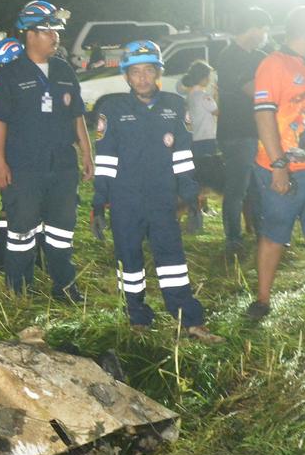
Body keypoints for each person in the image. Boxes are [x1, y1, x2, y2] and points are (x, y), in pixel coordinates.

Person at [89, 41, 224, 344]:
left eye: (148, 70)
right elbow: (106, 161)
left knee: (173, 261)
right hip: (125, 201)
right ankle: (137, 318)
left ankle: (189, 321)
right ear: (126, 76)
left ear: (158, 72)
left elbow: (183, 158)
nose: (142, 78)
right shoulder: (112, 109)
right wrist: (99, 204)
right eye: (135, 72)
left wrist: (191, 200)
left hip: (163, 199)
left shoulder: (175, 106)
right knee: (130, 261)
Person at [0, 0, 94, 302]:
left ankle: (64, 287)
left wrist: (87, 154)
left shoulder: (63, 70)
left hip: (61, 165)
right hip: (25, 166)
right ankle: (18, 288)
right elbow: (0, 122)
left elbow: (77, 116)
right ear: (30, 34)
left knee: (62, 230)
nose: (56, 36)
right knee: (21, 230)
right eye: (49, 30)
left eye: (57, 30)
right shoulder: (12, 74)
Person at [246, 6, 305, 321]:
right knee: (274, 233)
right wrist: (277, 163)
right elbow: (263, 115)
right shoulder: (274, 64)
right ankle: (262, 300)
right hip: (285, 168)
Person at [215, 7, 273, 256]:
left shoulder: (261, 56)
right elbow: (253, 90)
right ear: (253, 28)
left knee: (261, 186)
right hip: (236, 132)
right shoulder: (229, 56)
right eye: (264, 29)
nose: (265, 35)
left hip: (260, 130)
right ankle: (233, 240)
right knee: (237, 188)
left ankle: (264, 234)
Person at [0, 37, 25, 271]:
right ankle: (3, 258)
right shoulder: (8, 88)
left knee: (10, 208)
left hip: (9, 155)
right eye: (0, 67)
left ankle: (0, 258)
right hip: (9, 157)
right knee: (16, 208)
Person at [181, 60, 219, 234]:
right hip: (207, 139)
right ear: (204, 78)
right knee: (205, 178)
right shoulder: (204, 96)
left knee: (198, 177)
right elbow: (217, 111)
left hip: (195, 139)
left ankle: (199, 211)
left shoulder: (190, 95)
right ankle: (196, 215)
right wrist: (218, 96)